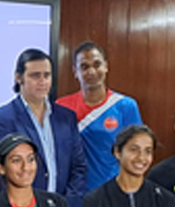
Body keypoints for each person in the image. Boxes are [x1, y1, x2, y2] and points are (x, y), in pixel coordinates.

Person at [0, 48, 86, 207]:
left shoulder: (66, 117)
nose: (42, 81)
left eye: (47, 75)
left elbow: (78, 167)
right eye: (35, 76)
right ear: (19, 77)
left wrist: (66, 206)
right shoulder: (2, 119)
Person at [56, 41, 142, 192]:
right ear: (75, 72)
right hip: (72, 192)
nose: (92, 71)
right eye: (84, 67)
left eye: (97, 65)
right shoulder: (61, 106)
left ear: (106, 66)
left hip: (111, 191)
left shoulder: (126, 106)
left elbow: (136, 152)